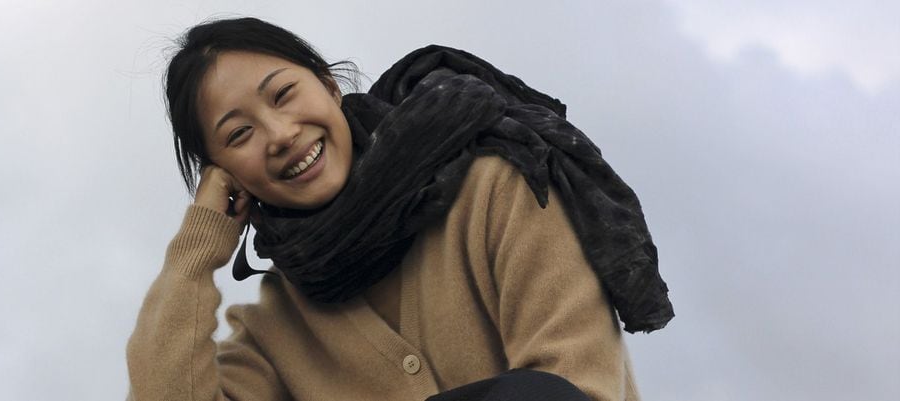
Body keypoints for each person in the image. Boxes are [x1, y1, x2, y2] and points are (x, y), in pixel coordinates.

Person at [126, 16, 671, 401]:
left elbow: (578, 388)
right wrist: (195, 252)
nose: (280, 135)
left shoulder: (496, 190)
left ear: (328, 83)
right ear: (224, 175)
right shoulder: (274, 331)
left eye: (284, 94)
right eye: (239, 133)